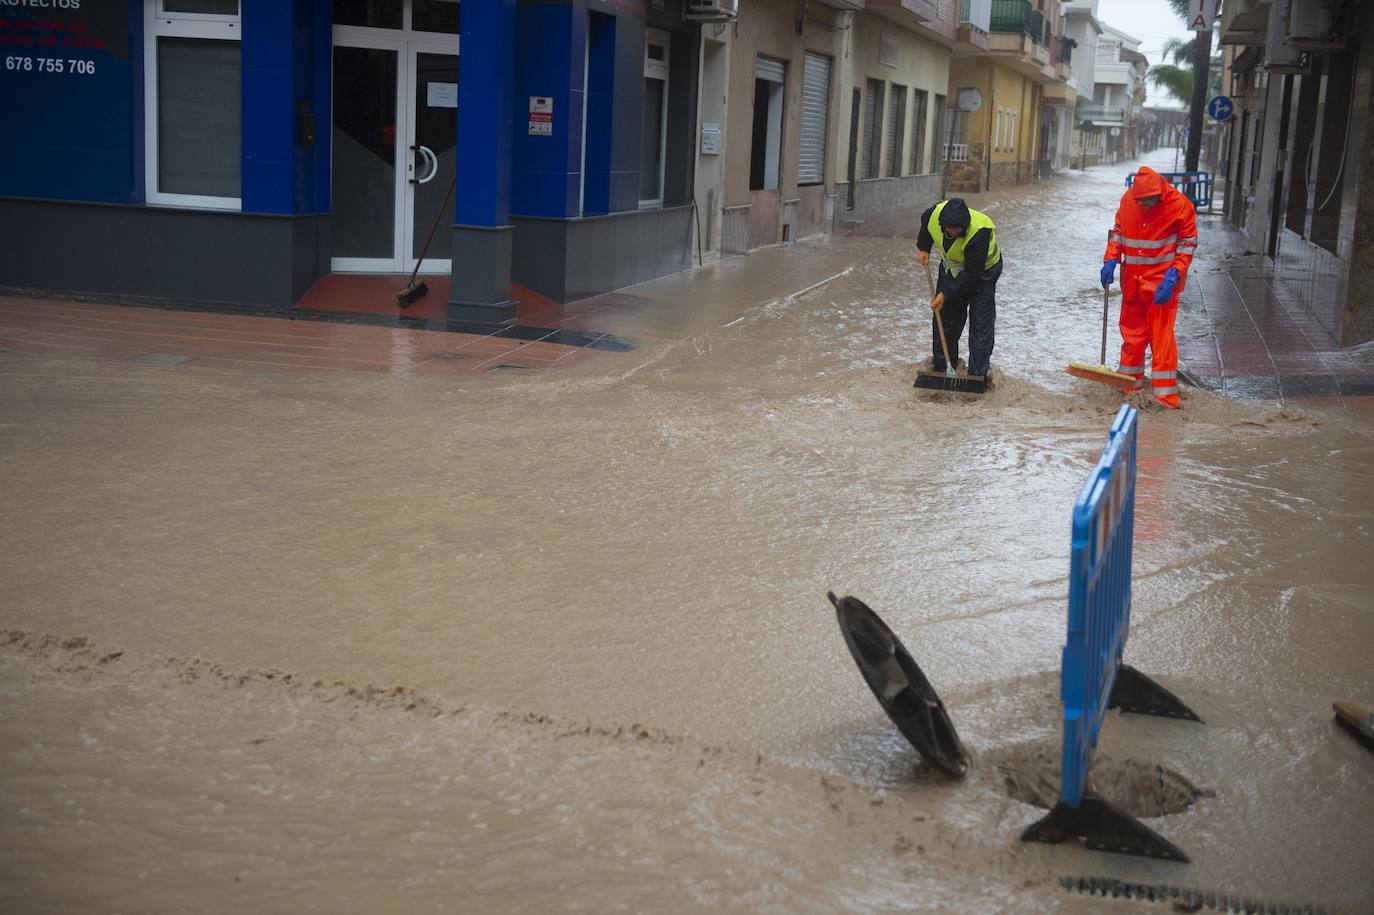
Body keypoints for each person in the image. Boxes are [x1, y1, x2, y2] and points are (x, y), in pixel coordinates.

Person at [1100, 166, 1198, 409]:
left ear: (1160, 194)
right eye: (1141, 201)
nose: (1146, 205)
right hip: (1133, 283)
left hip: (1162, 286)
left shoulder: (1181, 206)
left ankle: (1165, 398)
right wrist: (1110, 259)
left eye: (1150, 201)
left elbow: (1187, 243)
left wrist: (1174, 274)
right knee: (1131, 338)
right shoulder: (1128, 201)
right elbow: (1118, 232)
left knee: (1161, 340)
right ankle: (1130, 386)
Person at [916, 198, 1003, 378]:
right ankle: (943, 368)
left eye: (957, 229)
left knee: (980, 323)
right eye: (949, 228)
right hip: (952, 269)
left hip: (983, 273)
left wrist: (945, 294)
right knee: (945, 318)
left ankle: (977, 374)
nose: (952, 232)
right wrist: (923, 247)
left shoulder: (979, 232)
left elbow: (972, 275)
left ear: (964, 225)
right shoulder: (934, 215)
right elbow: (925, 224)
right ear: (943, 223)